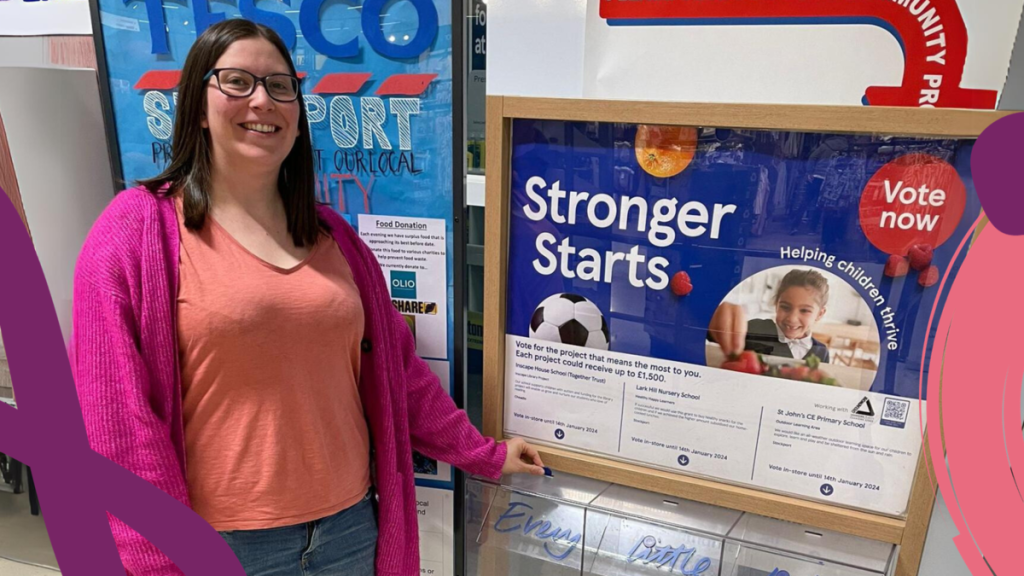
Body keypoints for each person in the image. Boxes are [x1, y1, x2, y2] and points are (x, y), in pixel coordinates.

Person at [69, 19, 543, 576]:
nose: (262, 100)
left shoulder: (334, 239)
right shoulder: (135, 232)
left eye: (280, 85)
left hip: (349, 532)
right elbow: (116, 423)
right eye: (237, 82)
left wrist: (484, 454)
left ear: (297, 116)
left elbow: (402, 378)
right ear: (197, 106)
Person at [708, 269, 831, 363]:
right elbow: (712, 333)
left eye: (804, 310)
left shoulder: (822, 352)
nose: (792, 318)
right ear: (776, 303)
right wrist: (715, 316)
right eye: (785, 307)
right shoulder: (754, 329)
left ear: (819, 314)